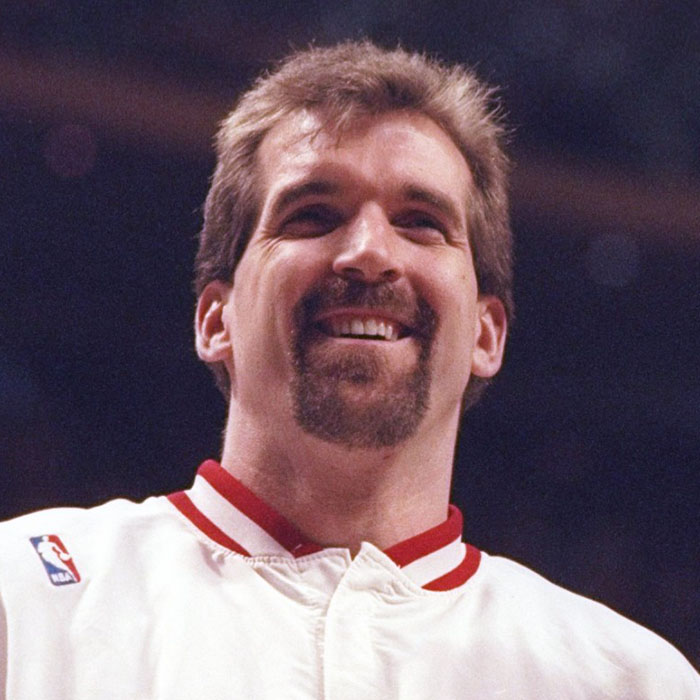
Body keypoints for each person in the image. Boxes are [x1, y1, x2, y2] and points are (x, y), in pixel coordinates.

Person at [0, 41, 697, 699]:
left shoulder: (628, 681)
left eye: (421, 222)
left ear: (486, 335)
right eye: (312, 215)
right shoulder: (24, 600)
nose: (368, 252)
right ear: (216, 319)